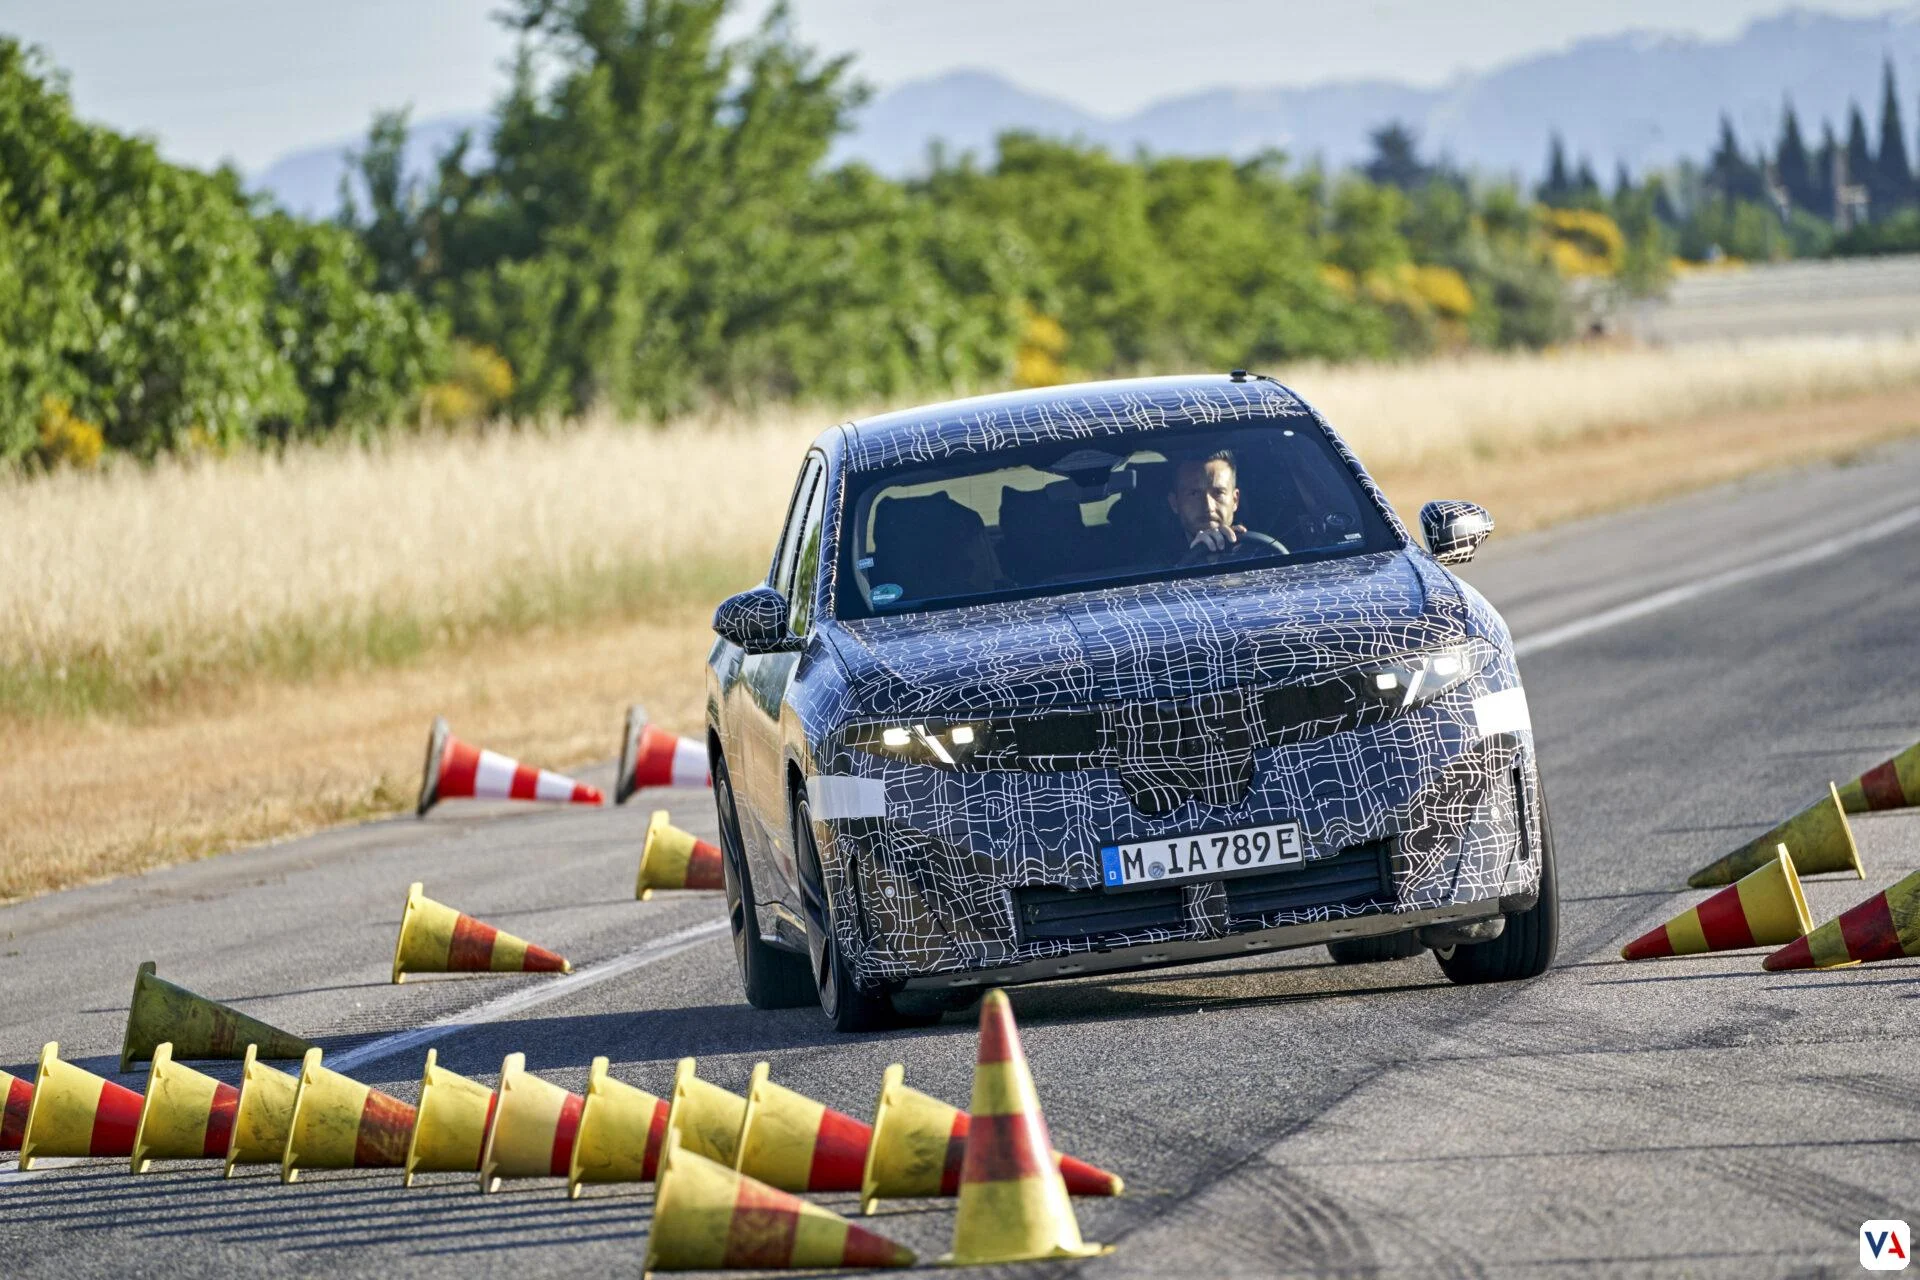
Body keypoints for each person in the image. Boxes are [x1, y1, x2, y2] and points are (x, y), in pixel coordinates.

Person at [1167, 449, 1246, 554]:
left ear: (1235, 500)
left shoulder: (1259, 552)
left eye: (1218, 492)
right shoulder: (1152, 564)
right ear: (1174, 503)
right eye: (1194, 493)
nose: (1208, 507)